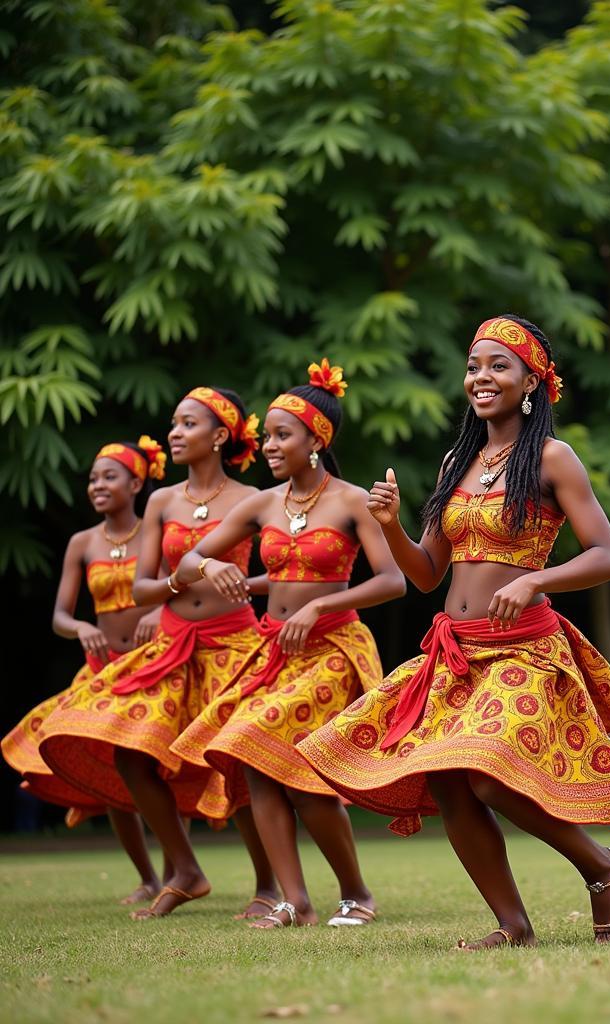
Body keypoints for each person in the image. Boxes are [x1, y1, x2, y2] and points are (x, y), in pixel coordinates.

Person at [298, 315, 610, 949]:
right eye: (474, 366)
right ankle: (512, 926)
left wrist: (535, 581)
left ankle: (602, 865)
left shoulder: (552, 457)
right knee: (448, 780)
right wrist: (389, 526)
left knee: (487, 772)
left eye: (498, 366)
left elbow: (608, 555)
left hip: (525, 645)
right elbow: (429, 573)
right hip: (457, 648)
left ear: (532, 382)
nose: (481, 378)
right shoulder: (456, 460)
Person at [171, 360, 405, 929]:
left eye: (282, 435)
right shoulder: (262, 504)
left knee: (297, 767)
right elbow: (187, 560)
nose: (269, 445)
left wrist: (321, 603)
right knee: (255, 758)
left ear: (316, 440)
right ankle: (293, 901)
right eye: (268, 434)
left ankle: (356, 895)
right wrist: (208, 567)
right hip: (277, 651)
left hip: (332, 648)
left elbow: (392, 580)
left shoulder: (351, 501)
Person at [40, 386, 277, 920]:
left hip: (232, 642)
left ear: (219, 436)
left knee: (234, 757)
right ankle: (185, 870)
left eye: (187, 424)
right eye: (173, 423)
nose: (174, 432)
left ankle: (268, 886)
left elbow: (285, 571)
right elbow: (143, 589)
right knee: (128, 751)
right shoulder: (162, 501)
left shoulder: (251, 499)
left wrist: (236, 577)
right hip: (171, 643)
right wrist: (189, 572)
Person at [3, 437, 165, 903]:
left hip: (151, 664)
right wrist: (78, 629)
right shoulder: (82, 542)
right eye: (93, 478)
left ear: (136, 482)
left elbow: (175, 588)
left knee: (157, 764)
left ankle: (178, 869)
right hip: (100, 668)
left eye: (108, 476)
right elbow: (59, 615)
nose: (97, 485)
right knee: (110, 768)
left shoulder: (155, 532)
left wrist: (158, 613)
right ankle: (148, 877)